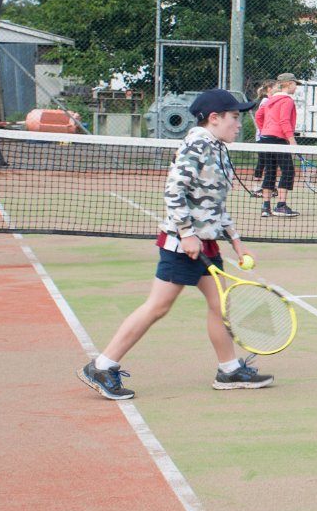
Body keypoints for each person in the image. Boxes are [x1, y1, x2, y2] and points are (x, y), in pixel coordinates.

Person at [79, 89, 274, 399]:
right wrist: (186, 233)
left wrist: (237, 242)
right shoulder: (196, 145)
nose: (240, 125)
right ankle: (102, 365)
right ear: (214, 118)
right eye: (235, 118)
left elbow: (215, 205)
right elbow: (173, 191)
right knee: (158, 307)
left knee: (220, 305)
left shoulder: (218, 148)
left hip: (206, 245)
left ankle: (229, 370)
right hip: (182, 246)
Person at [253, 73, 300, 217]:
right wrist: (291, 140)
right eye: (295, 84)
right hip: (278, 140)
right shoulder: (287, 101)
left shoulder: (270, 100)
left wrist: (264, 129)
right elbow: (284, 121)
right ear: (289, 84)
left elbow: (258, 116)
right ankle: (280, 205)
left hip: (265, 139)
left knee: (270, 171)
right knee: (288, 172)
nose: (296, 87)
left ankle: (266, 208)